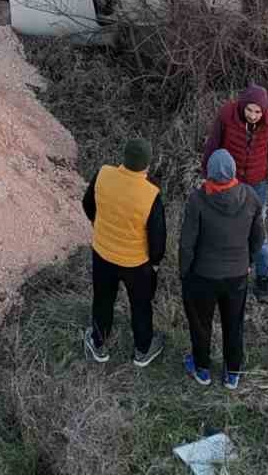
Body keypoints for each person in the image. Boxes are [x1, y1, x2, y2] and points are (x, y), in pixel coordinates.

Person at [180, 148, 264, 390]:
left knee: (201, 323)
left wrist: (184, 272)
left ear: (209, 173)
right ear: (234, 172)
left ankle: (202, 369)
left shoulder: (198, 199)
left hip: (203, 276)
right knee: (234, 323)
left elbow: (187, 243)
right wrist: (248, 262)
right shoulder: (249, 196)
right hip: (237, 276)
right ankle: (232, 373)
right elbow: (258, 238)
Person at [82, 137, 165, 367]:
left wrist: (100, 226)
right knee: (140, 305)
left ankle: (98, 345)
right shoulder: (150, 194)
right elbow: (158, 237)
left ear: (124, 158)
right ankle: (143, 350)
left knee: (102, 299)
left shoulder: (103, 174)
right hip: (136, 263)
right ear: (148, 164)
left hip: (102, 253)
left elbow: (87, 204)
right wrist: (155, 262)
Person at [202, 83, 268, 301]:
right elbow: (212, 145)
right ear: (242, 106)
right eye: (249, 110)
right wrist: (208, 177)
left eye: (258, 112)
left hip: (257, 184)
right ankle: (227, 276)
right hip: (229, 183)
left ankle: (263, 280)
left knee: (257, 232)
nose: (253, 115)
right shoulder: (227, 114)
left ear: (264, 111)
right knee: (225, 228)